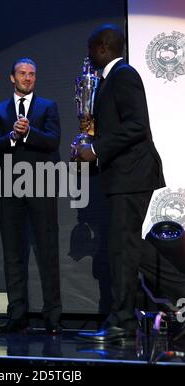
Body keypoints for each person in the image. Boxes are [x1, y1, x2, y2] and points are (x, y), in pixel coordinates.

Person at [74, 24, 166, 341]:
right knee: (123, 249)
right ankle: (123, 320)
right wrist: (91, 138)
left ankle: (123, 321)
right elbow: (120, 127)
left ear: (102, 48)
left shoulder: (123, 75)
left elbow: (138, 125)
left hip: (132, 174)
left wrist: (96, 149)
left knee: (124, 250)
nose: (87, 56)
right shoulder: (109, 81)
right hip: (123, 176)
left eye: (89, 49)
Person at [0, 58, 62, 334]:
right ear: (12, 77)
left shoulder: (47, 106)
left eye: (32, 74)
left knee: (47, 251)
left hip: (41, 185)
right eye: (22, 73)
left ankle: (52, 317)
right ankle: (16, 315)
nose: (28, 78)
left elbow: (53, 140)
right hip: (8, 187)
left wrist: (29, 132)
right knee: (12, 253)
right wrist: (11, 136)